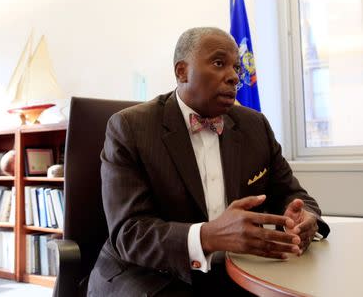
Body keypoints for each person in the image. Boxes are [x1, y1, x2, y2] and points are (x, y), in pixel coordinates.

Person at [88, 27, 330, 296]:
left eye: (236, 67)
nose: (234, 76)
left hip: (236, 271)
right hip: (150, 276)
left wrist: (305, 217)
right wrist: (208, 236)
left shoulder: (255, 126)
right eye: (219, 63)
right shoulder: (130, 128)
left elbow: (293, 194)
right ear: (182, 71)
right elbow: (130, 233)